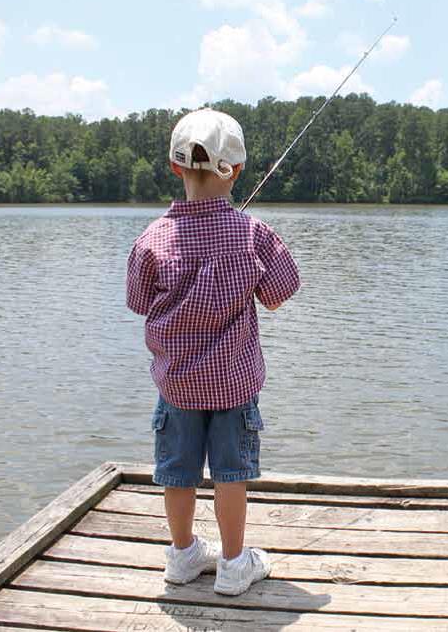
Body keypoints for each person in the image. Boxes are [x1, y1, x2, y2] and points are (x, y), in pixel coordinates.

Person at [125, 108, 300, 595]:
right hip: (233, 385)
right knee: (230, 475)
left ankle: (182, 556)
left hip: (177, 385)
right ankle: (232, 564)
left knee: (177, 473)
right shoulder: (252, 234)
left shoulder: (151, 239)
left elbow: (138, 302)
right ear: (236, 170)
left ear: (175, 166)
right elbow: (280, 294)